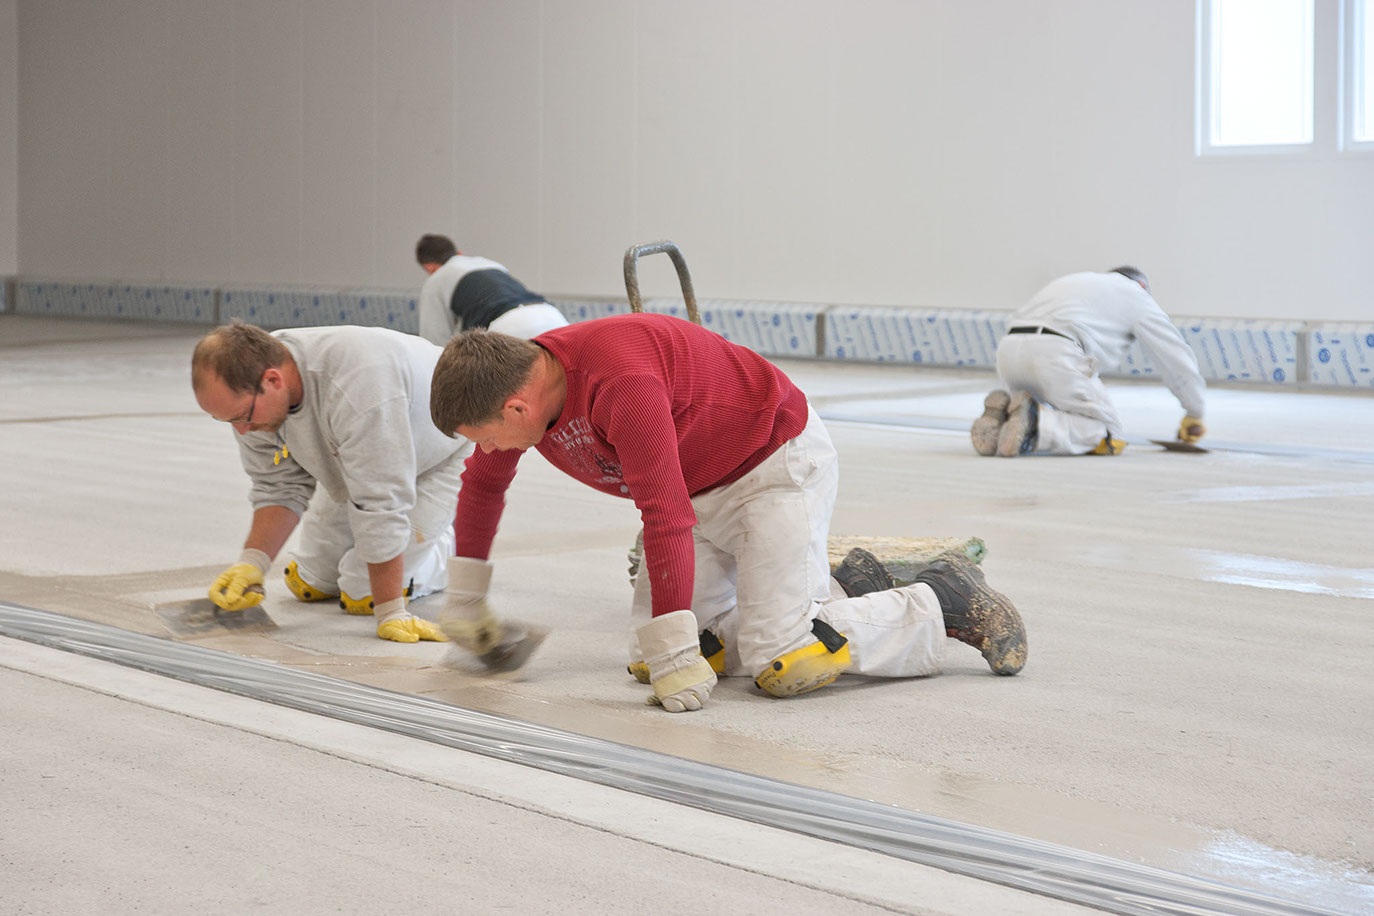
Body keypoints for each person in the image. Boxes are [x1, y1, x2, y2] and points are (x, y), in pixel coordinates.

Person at [428, 313, 1028, 713]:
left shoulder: (621, 381)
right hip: (697, 488)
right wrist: (466, 601)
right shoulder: (524, 388)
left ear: (516, 407)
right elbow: (482, 488)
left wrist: (676, 656)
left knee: (784, 659)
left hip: (772, 467)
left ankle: (938, 601)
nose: (487, 451)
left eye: (483, 437)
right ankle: (845, 587)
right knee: (652, 657)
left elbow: (664, 514)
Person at [191, 321, 473, 643]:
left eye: (242, 416)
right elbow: (278, 486)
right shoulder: (254, 380)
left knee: (363, 594)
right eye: (228, 420)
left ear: (273, 380)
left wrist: (391, 611)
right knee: (308, 582)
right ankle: (409, 543)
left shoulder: (358, 387)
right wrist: (252, 564)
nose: (242, 430)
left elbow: (381, 502)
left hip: (441, 453)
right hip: (359, 459)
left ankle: (441, 546)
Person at [972, 267, 1207, 458]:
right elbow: (1174, 354)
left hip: (1009, 352)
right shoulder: (1135, 294)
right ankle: (1035, 423)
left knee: (1052, 408)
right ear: (1141, 286)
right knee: (1109, 434)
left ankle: (1002, 420)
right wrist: (1194, 411)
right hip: (1055, 352)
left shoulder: (1077, 282)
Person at [415, 233, 568, 345]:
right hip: (553, 318)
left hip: (510, 328)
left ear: (429, 267)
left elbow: (434, 344)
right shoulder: (490, 264)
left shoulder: (436, 280)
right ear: (459, 254)